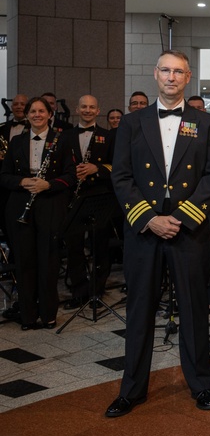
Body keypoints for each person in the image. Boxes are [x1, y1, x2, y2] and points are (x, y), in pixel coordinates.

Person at [105, 50, 210, 418]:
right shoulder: (132, 122)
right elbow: (121, 175)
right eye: (166, 71)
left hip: (188, 229)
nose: (172, 77)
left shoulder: (204, 123)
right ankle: (132, 390)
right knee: (139, 310)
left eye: (179, 72)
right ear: (155, 74)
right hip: (145, 229)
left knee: (192, 310)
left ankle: (202, 385)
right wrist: (149, 218)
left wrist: (182, 218)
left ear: (188, 77)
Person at [0, 97, 75, 329]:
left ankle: (49, 314)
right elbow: (3, 176)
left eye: (41, 111)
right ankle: (28, 316)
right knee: (24, 262)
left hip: (49, 204)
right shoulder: (17, 142)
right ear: (27, 114)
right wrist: (22, 181)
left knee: (49, 261)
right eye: (32, 111)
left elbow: (71, 176)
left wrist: (49, 185)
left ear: (50, 114)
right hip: (20, 205)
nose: (37, 115)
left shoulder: (61, 141)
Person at [63, 94, 116, 307]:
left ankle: (97, 291)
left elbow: (118, 165)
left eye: (91, 107)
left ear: (98, 110)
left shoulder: (109, 136)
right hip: (73, 197)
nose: (87, 110)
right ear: (77, 109)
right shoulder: (65, 136)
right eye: (83, 106)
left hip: (99, 198)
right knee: (74, 248)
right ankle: (79, 292)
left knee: (101, 247)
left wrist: (98, 168)